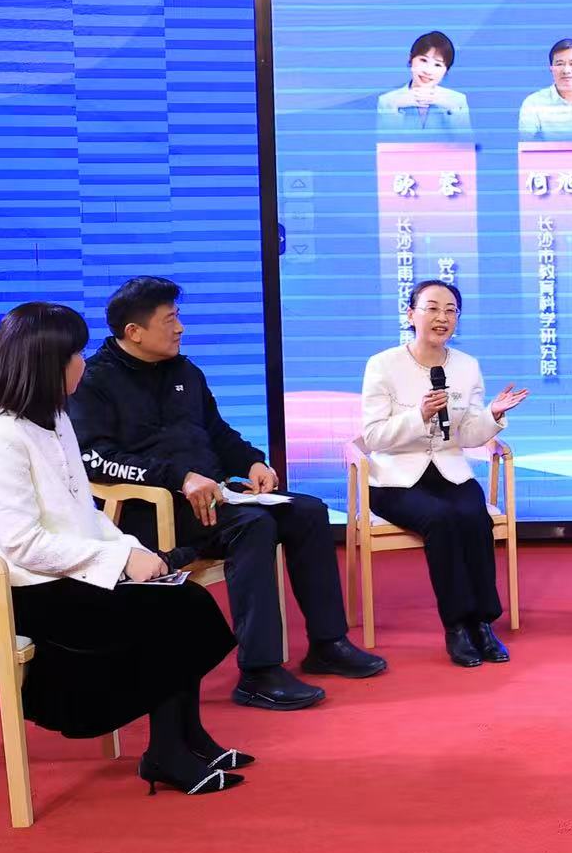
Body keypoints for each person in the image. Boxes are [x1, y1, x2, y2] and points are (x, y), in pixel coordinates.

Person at [0, 303, 244, 796]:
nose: (83, 363)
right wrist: (120, 561)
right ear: (46, 363)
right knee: (172, 611)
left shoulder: (54, 420)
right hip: (13, 593)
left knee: (181, 597)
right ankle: (166, 751)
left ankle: (186, 737)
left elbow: (81, 513)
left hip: (59, 574)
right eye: (75, 354)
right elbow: (21, 544)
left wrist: (132, 550)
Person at [72, 277, 385, 711]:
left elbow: (218, 434)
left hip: (216, 499)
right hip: (151, 510)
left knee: (308, 512)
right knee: (252, 526)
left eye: (178, 316)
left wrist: (252, 462)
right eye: (170, 319)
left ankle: (328, 643)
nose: (180, 327)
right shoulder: (94, 382)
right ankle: (259, 671)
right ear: (134, 332)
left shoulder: (185, 371)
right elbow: (95, 459)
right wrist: (178, 478)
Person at [360, 280, 530, 667]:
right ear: (411, 314)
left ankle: (482, 623)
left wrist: (493, 415)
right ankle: (456, 626)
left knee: (473, 516)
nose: (442, 317)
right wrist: (418, 416)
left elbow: (466, 435)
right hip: (394, 479)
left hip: (450, 471)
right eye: (433, 308)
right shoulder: (383, 364)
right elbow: (373, 437)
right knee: (439, 519)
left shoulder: (466, 366)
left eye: (451, 310)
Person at [376, 30, 471, 135]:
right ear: (411, 59)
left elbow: (465, 142)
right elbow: (387, 142)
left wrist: (452, 110)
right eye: (423, 60)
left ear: (446, 70)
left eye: (438, 65)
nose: (428, 71)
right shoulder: (388, 100)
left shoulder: (457, 101)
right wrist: (394, 108)